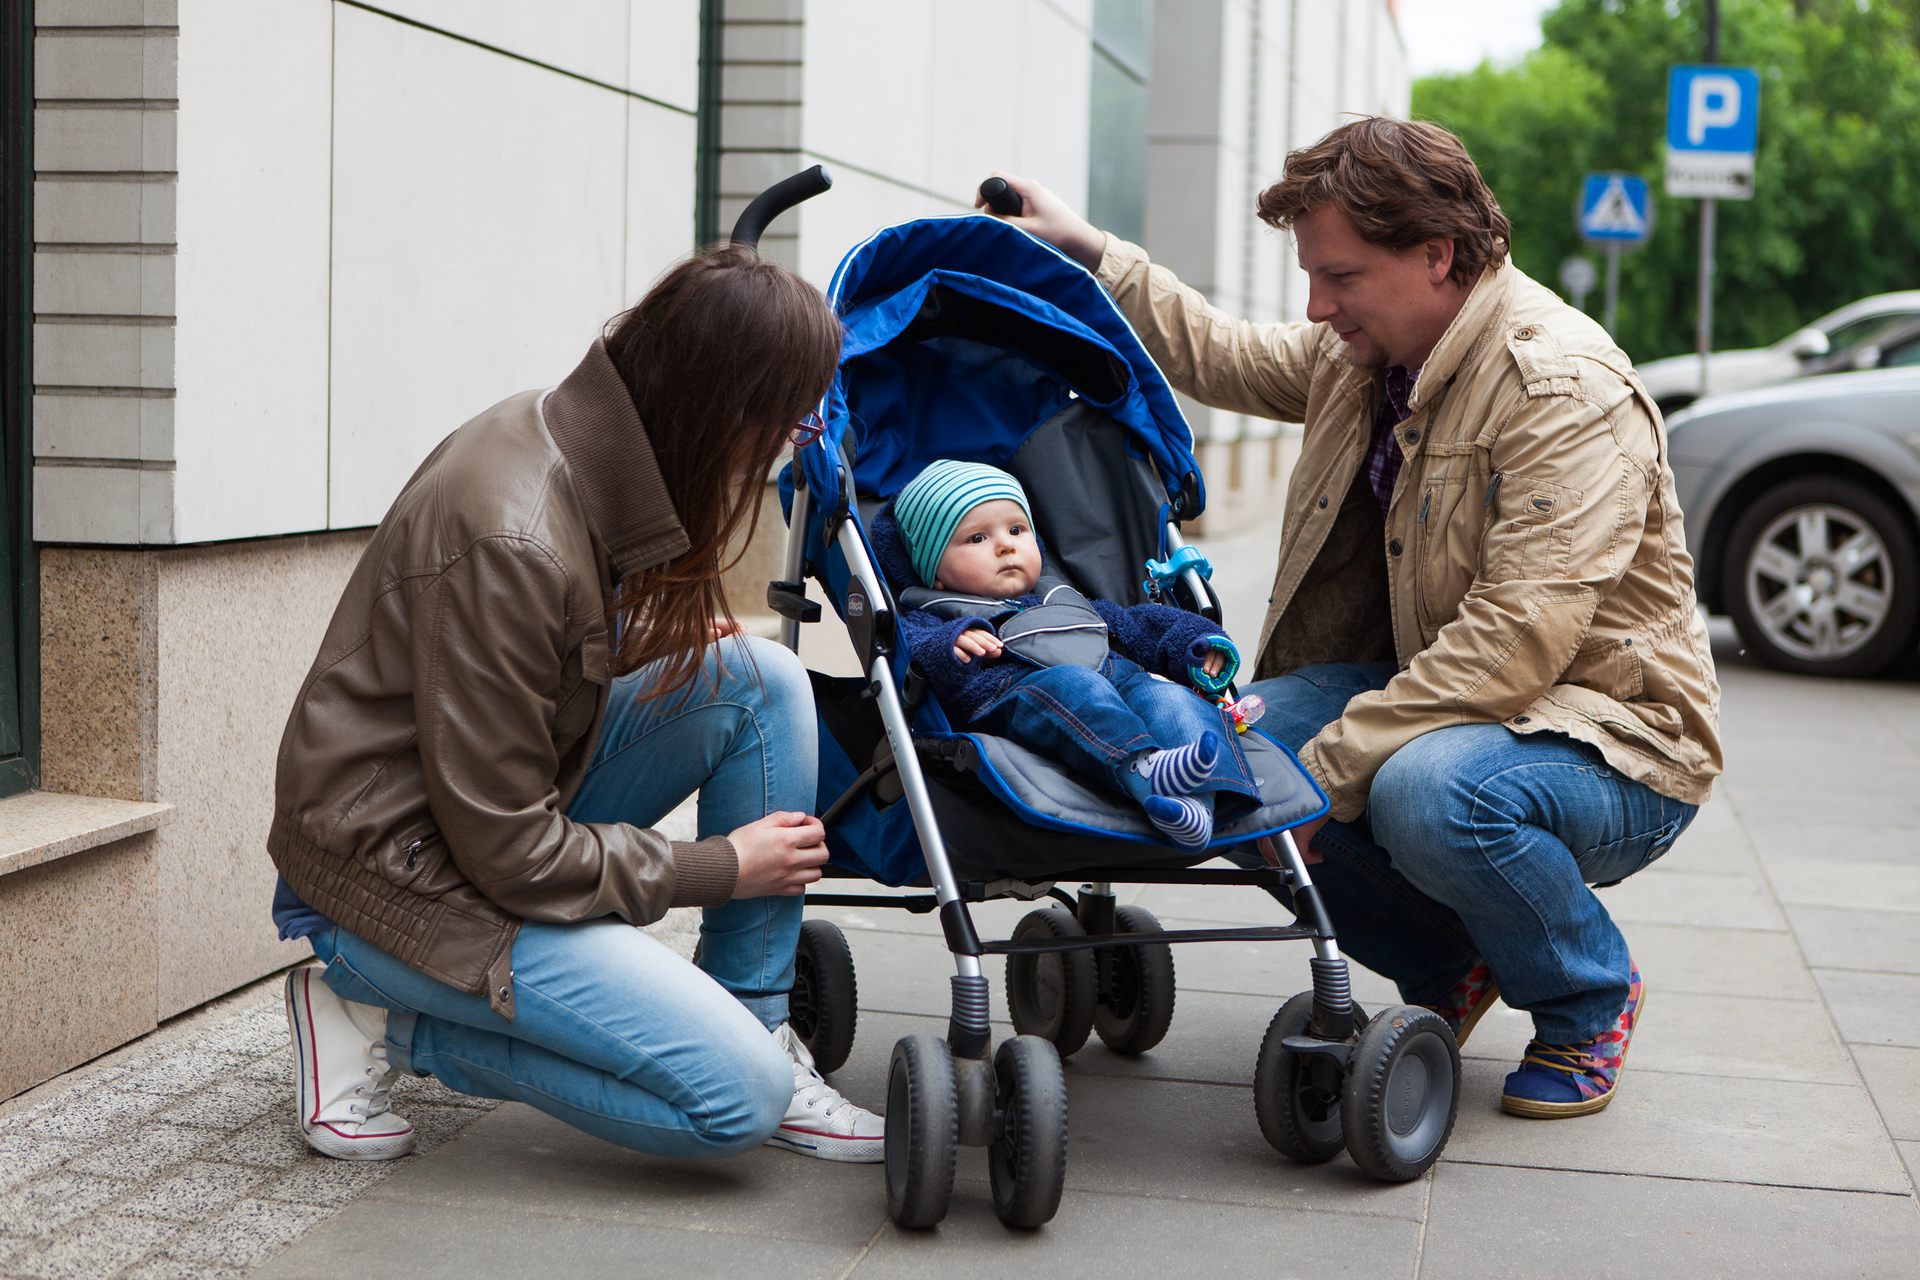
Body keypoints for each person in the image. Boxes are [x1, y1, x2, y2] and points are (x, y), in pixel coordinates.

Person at [980, 118, 1721, 1120]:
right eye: (1312, 276)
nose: (1317, 306)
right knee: (1221, 753)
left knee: (1424, 791)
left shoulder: (1560, 388)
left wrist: (1331, 770)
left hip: (1613, 736)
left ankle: (1587, 994)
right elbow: (1225, 354)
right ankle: (1451, 964)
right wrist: (1090, 250)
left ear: (1436, 256)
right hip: (1451, 695)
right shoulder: (1369, 349)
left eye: (1340, 277)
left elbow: (1516, 642)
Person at [268, 245, 885, 1164]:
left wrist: (640, 641)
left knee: (763, 681)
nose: (803, 435)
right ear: (724, 407)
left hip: (465, 821)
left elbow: (525, 676)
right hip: (394, 883)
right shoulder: (513, 539)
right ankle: (374, 1019)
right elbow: (512, 852)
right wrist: (719, 866)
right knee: (736, 1103)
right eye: (795, 414)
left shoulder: (571, 433)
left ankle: (756, 1019)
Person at [876, 460, 1250, 850]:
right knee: (1075, 684)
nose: (1006, 545)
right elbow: (911, 650)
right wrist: (949, 644)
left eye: (1016, 530)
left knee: (1170, 697)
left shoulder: (1062, 598)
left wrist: (1196, 642)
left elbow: (1138, 625)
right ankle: (1145, 772)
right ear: (935, 571)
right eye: (977, 538)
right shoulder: (934, 615)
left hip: (1116, 680)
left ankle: (1197, 809)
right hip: (1018, 695)